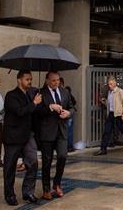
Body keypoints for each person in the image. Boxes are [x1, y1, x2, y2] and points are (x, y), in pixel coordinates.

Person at [2, 70, 42, 205]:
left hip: (28, 136)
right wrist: (34, 103)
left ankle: (28, 192)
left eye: (31, 79)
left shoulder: (31, 95)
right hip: (13, 137)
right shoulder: (11, 96)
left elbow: (33, 114)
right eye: (27, 79)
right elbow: (20, 112)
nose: (30, 81)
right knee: (9, 167)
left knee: (33, 163)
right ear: (19, 80)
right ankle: (10, 195)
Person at [38, 71, 74, 200]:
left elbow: (72, 107)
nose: (56, 83)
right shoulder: (40, 93)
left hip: (62, 131)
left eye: (58, 80)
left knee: (63, 156)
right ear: (47, 80)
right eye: (53, 80)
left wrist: (68, 113)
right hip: (47, 132)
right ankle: (46, 189)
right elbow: (37, 111)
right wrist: (50, 107)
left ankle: (57, 183)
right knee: (46, 162)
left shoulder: (64, 92)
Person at [94, 77, 123, 156]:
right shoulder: (109, 92)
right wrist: (104, 102)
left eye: (111, 84)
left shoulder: (120, 91)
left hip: (118, 114)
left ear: (115, 83)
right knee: (106, 131)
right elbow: (110, 104)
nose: (109, 85)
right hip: (111, 114)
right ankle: (103, 149)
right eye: (108, 84)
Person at [59, 77, 76, 152]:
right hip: (64, 114)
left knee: (69, 131)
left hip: (67, 114)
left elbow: (72, 103)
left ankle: (69, 146)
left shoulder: (66, 92)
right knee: (67, 131)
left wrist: (68, 112)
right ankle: (68, 146)